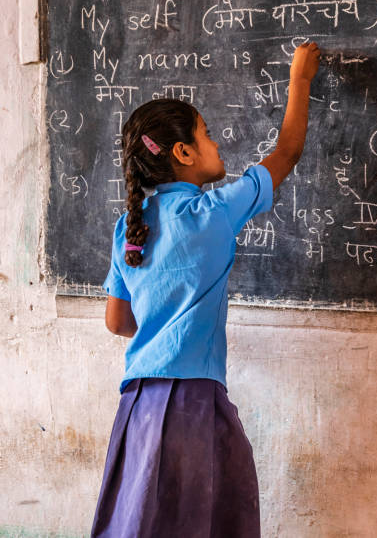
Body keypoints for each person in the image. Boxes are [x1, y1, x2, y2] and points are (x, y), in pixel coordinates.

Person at [91, 41, 321, 537]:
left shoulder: (128, 228)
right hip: (193, 402)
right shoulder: (214, 212)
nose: (217, 145)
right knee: (202, 522)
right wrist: (300, 79)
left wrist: (160, 314)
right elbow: (287, 153)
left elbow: (117, 322)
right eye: (208, 135)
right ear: (184, 153)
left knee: (140, 523)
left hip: (138, 407)